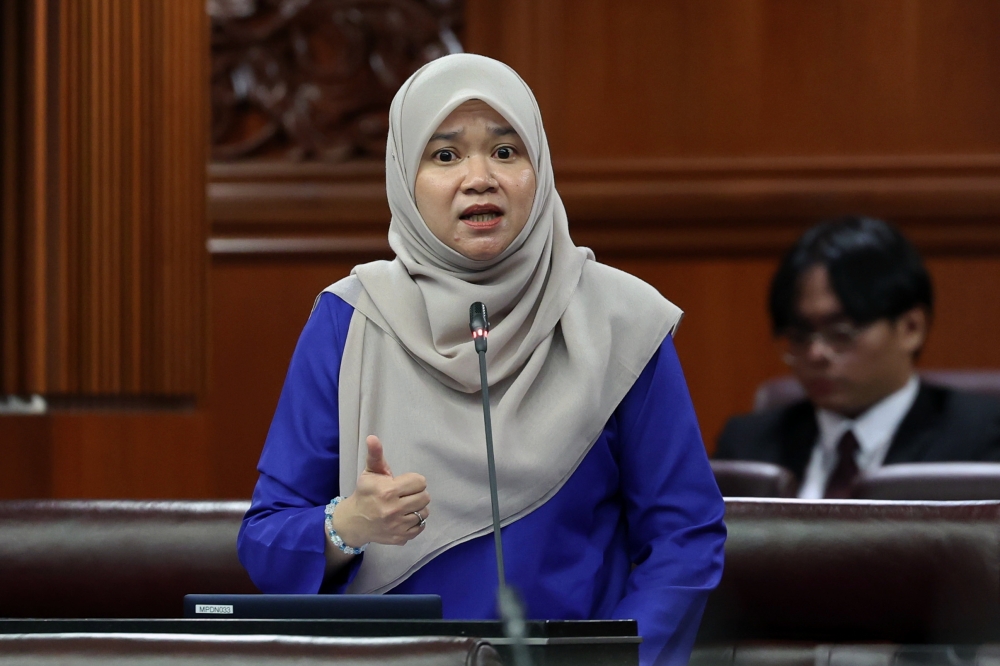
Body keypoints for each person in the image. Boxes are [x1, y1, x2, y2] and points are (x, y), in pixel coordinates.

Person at [237, 53, 725, 665]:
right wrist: (347, 525)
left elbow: (684, 536)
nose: (479, 177)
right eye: (444, 155)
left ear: (540, 167)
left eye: (505, 151)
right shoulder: (350, 319)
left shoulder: (621, 322)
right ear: (404, 179)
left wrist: (621, 661)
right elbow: (264, 541)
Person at [715, 216, 1000, 498]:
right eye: (800, 336)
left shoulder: (982, 438)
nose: (815, 354)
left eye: (841, 333)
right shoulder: (747, 446)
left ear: (911, 328)